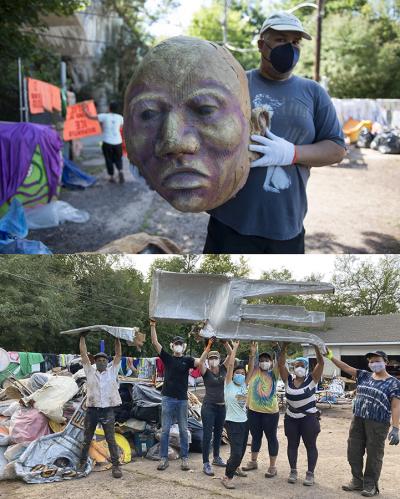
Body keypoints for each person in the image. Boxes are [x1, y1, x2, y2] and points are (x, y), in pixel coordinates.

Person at [205, 11, 346, 254]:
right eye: (281, 40)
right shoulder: (235, 84)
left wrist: (291, 153)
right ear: (262, 45)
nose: (290, 48)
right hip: (230, 223)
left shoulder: (313, 93)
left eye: (295, 42)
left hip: (286, 227)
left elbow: (336, 149)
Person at [325, 349, 400, 497]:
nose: (374, 363)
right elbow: (345, 367)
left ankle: (370, 485)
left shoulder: (394, 383)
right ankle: (357, 481)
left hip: (378, 423)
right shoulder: (364, 375)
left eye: (377, 360)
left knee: (374, 455)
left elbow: (396, 405)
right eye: (371, 361)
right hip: (358, 419)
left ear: (386, 362)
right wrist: (331, 356)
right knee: (353, 451)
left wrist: (396, 427)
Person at [150, 318, 201, 471]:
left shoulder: (188, 360)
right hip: (167, 398)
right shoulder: (167, 358)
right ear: (172, 346)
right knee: (165, 430)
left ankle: (185, 459)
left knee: (184, 430)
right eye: (176, 343)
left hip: (182, 400)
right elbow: (154, 342)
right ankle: (163, 459)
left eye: (180, 343)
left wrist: (206, 343)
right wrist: (153, 325)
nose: (178, 346)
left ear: (184, 347)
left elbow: (200, 362)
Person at [278, 345, 324, 487]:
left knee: (310, 445)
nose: (299, 367)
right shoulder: (288, 380)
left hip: (308, 419)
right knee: (292, 445)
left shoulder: (312, 380)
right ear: (293, 367)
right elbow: (280, 364)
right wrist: (284, 347)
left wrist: (316, 348)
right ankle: (293, 471)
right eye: (296, 365)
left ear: (306, 368)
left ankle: (310, 474)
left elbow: (321, 363)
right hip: (291, 418)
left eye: (302, 365)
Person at [78, 333, 123, 478]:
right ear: (95, 362)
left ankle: (116, 466)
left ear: (107, 361)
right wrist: (82, 338)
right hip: (92, 410)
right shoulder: (90, 371)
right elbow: (83, 354)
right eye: (99, 360)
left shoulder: (112, 371)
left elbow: (118, 355)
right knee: (87, 439)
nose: (102, 362)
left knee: (111, 439)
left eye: (104, 360)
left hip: (108, 411)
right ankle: (82, 463)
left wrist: (117, 339)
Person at [242, 342, 280, 478]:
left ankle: (272, 466)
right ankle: (253, 461)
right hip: (253, 412)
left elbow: (280, 361)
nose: (264, 362)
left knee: (271, 438)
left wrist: (277, 349)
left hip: (270, 413)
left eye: (267, 360)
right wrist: (253, 353)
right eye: (262, 360)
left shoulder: (274, 374)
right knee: (256, 437)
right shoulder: (254, 372)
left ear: (271, 362)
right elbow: (252, 361)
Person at [198, 338, 233, 476]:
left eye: (215, 358)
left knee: (219, 433)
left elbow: (231, 354)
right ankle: (205, 463)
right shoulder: (205, 371)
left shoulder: (224, 368)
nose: (213, 360)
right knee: (207, 435)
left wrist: (225, 343)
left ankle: (216, 457)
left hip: (221, 407)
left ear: (219, 359)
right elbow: (200, 362)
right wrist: (208, 347)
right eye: (211, 358)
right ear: (208, 359)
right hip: (209, 407)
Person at [222, 341, 249, 490]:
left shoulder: (244, 385)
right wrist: (236, 348)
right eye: (237, 374)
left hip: (245, 422)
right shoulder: (229, 384)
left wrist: (252, 352)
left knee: (241, 450)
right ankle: (227, 477)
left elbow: (251, 367)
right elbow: (231, 365)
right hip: (232, 422)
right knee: (237, 452)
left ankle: (234, 466)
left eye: (242, 374)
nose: (240, 375)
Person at [84, 101, 124, 183]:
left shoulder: (104, 116)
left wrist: (84, 109)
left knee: (108, 159)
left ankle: (112, 177)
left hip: (107, 142)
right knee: (118, 158)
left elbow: (90, 117)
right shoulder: (120, 117)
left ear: (109, 108)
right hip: (118, 142)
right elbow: (122, 127)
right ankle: (120, 171)